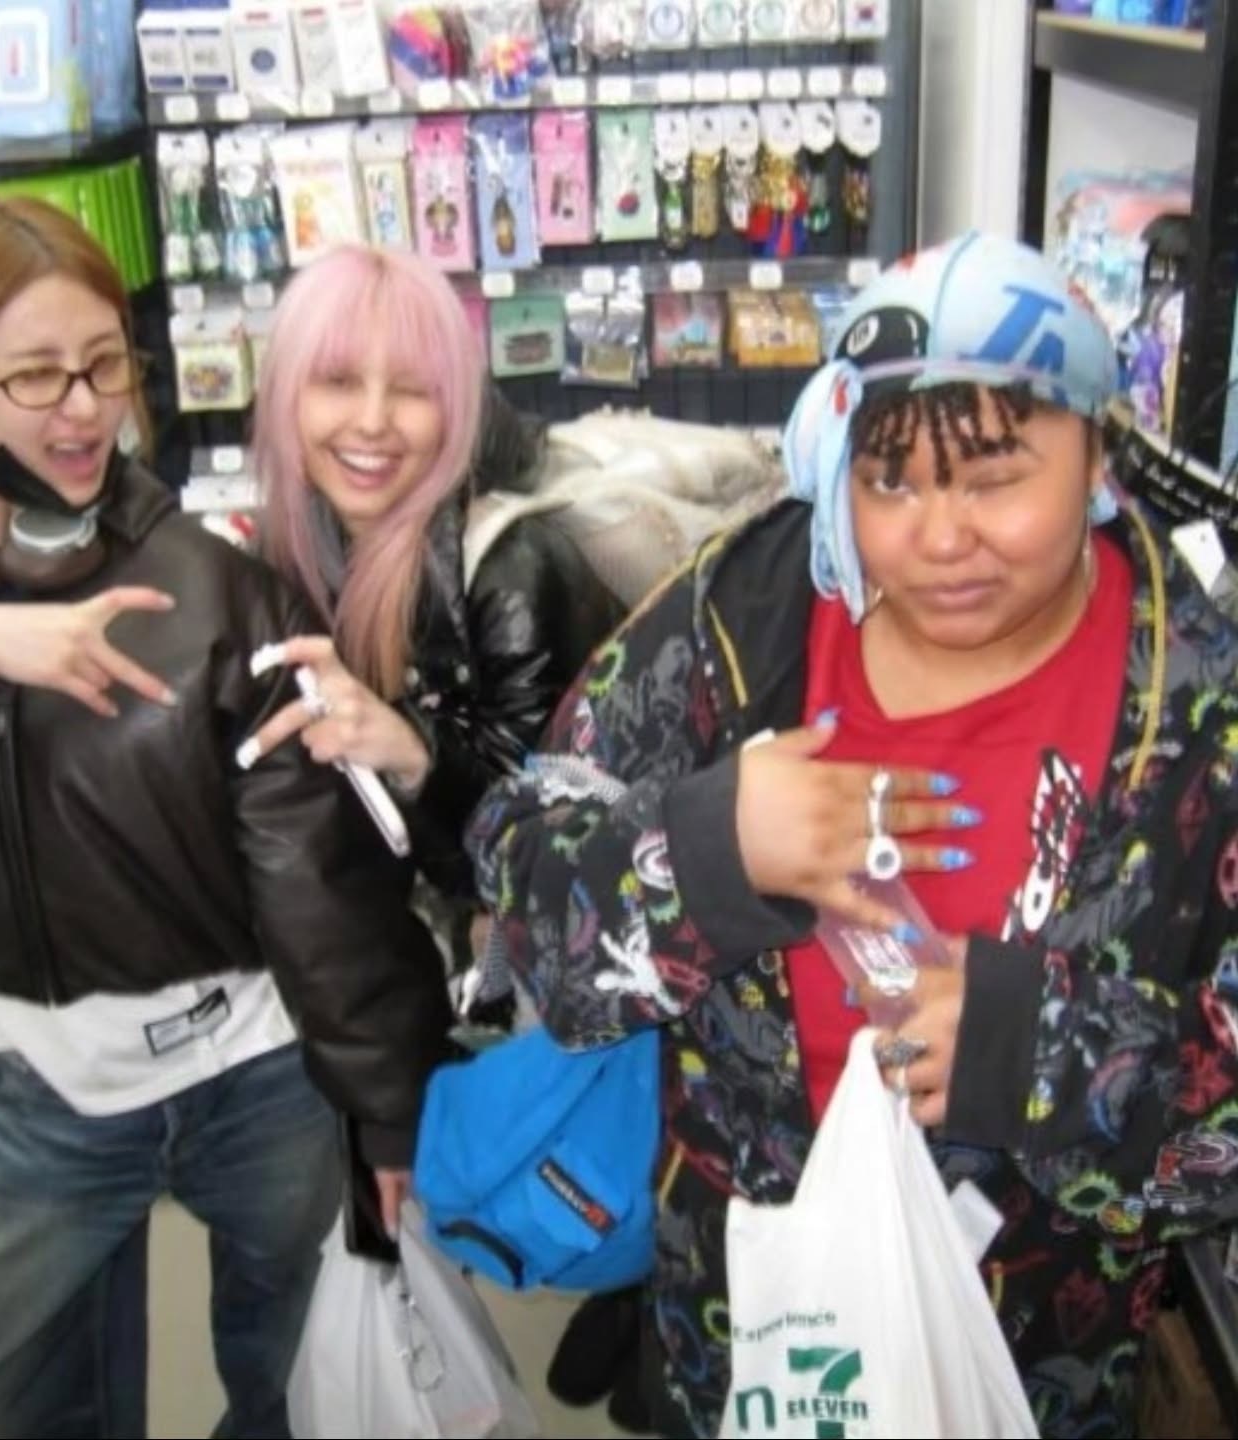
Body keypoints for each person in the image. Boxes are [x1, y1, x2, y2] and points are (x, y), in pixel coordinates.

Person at [466, 232, 1238, 1439]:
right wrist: (706, 857)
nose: (940, 536)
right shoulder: (751, 616)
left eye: (995, 477)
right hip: (745, 1331)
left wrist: (1032, 1051)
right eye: (891, 481)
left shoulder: (1197, 707)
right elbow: (517, 869)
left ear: (1096, 453)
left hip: (1028, 1364)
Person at [0, 196, 451, 1439]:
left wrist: (386, 1109)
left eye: (104, 364)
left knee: (298, 1391)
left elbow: (317, 887)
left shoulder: (217, 590)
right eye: (35, 376)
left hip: (259, 1079)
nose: (85, 409)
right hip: (45, 1091)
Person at [239, 243, 625, 953]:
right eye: (338, 381)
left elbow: (549, 863)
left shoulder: (513, 570)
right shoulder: (276, 555)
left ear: (455, 407)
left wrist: (415, 755)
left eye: (412, 389)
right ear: (287, 392)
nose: (372, 421)